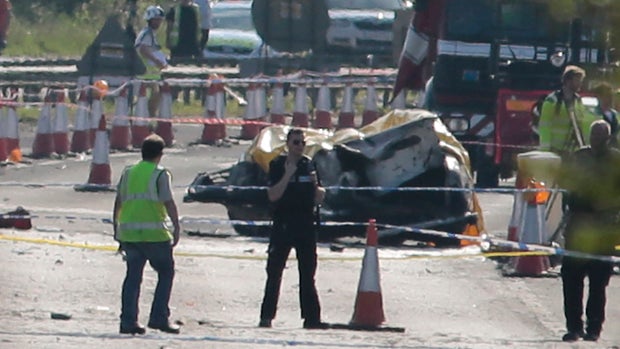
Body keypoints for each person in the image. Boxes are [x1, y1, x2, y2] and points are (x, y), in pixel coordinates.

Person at [258, 129, 328, 329]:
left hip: (305, 224)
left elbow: (318, 197)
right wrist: (288, 174)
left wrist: (317, 188)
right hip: (283, 224)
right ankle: (266, 316)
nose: (299, 146)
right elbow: (272, 195)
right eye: (296, 142)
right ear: (288, 143)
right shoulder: (278, 165)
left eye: (302, 142)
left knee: (308, 273)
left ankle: (312, 318)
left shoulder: (309, 164)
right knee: (274, 272)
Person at [558, 120, 620, 342]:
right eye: (593, 135)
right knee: (571, 278)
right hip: (578, 225)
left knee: (598, 280)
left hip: (603, 228)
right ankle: (574, 326)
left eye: (600, 137)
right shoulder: (580, 157)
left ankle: (594, 328)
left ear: (608, 139)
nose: (595, 141)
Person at [113, 134, 181, 335]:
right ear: (160, 155)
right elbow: (168, 202)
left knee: (133, 277)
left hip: (129, 233)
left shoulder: (128, 172)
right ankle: (159, 317)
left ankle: (128, 321)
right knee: (166, 272)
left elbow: (119, 201)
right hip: (154, 235)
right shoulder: (160, 174)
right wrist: (176, 226)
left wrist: (115, 228)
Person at [538, 65, 599, 158]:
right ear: (567, 81)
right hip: (554, 151)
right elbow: (544, 126)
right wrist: (545, 150)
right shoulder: (552, 100)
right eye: (577, 80)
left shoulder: (578, 101)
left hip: (572, 152)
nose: (580, 83)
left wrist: (586, 146)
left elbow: (582, 124)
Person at [135, 5, 168, 119]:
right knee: (152, 96)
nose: (158, 22)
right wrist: (157, 61)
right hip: (145, 73)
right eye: (156, 19)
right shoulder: (147, 34)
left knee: (155, 95)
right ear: (150, 20)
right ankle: (149, 119)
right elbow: (143, 49)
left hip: (152, 73)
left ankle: (149, 118)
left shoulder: (150, 33)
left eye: (160, 20)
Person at [592, 82, 618, 147]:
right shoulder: (593, 115)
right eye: (607, 95)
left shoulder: (616, 115)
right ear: (598, 97)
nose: (611, 98)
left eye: (611, 95)